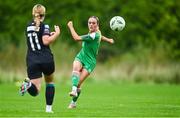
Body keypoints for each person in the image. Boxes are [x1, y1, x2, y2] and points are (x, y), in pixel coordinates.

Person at [19, 4, 60, 113]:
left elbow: (37, 37)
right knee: (50, 82)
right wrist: (56, 34)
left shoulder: (28, 26)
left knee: (35, 91)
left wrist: (48, 35)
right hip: (46, 59)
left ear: (33, 14)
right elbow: (46, 41)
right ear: (43, 14)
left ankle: (28, 84)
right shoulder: (45, 26)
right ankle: (48, 109)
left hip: (32, 60)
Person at [67, 16, 114, 108]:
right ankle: (73, 90)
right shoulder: (97, 32)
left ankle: (73, 103)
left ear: (97, 25)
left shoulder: (93, 35)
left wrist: (70, 27)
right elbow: (101, 36)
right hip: (81, 56)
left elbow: (76, 38)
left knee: (79, 83)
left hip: (90, 62)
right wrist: (108, 40)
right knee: (76, 67)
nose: (91, 24)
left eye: (93, 23)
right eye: (89, 23)